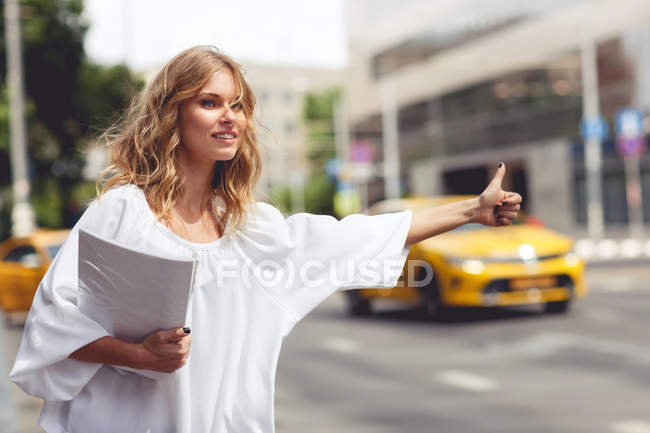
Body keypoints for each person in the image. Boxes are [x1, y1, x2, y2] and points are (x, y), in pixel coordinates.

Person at [10, 46, 522, 433]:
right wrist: (140, 356)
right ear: (173, 114)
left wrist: (471, 210)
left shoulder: (250, 231)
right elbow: (52, 326)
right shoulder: (121, 213)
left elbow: (356, 237)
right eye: (210, 102)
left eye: (237, 104)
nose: (229, 116)